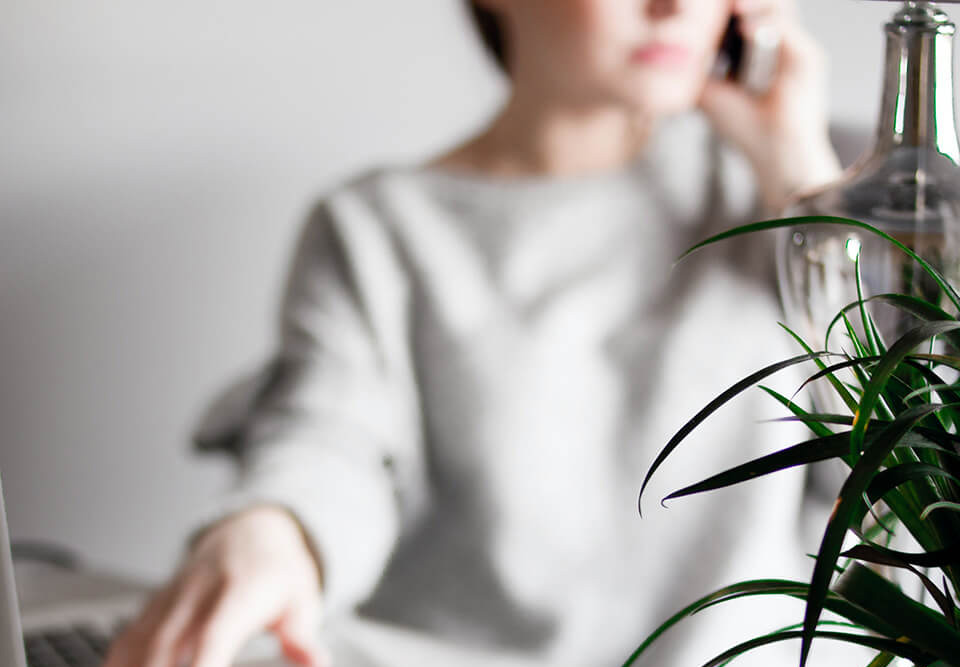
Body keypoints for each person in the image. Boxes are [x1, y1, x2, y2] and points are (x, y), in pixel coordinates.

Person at [105, 0, 843, 665]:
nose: (676, 7)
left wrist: (801, 180)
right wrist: (279, 528)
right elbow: (328, 435)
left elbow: (897, 486)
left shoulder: (787, 207)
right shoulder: (378, 225)